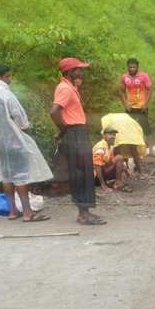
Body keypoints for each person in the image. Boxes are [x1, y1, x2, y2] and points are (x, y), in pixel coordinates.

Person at [0, 63, 53, 222]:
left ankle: (12, 212)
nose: (9, 80)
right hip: (14, 140)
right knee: (21, 176)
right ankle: (27, 212)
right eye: (7, 76)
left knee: (7, 176)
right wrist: (28, 137)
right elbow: (19, 118)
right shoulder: (4, 94)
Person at [50, 57, 106, 225]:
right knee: (83, 172)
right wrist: (63, 128)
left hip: (75, 132)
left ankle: (83, 213)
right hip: (75, 133)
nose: (82, 72)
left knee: (80, 172)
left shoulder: (68, 87)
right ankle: (84, 215)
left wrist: (63, 130)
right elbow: (54, 112)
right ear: (70, 72)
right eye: (79, 70)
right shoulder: (66, 89)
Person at [120, 58, 155, 157]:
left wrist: (145, 104)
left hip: (141, 108)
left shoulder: (143, 76)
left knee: (146, 128)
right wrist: (126, 104)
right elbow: (122, 91)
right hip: (130, 108)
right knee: (130, 129)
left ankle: (151, 150)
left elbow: (149, 90)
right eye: (130, 67)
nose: (132, 69)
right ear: (127, 67)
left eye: (134, 67)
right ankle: (133, 151)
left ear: (137, 67)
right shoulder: (124, 77)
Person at [101, 112, 147, 180]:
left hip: (118, 129)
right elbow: (137, 127)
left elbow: (105, 127)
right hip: (129, 129)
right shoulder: (127, 116)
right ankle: (141, 174)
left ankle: (123, 171)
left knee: (117, 149)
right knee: (134, 150)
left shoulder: (108, 118)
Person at [93, 127, 132, 193]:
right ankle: (117, 183)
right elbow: (97, 166)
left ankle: (115, 182)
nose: (112, 136)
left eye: (114, 135)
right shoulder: (101, 147)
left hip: (102, 171)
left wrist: (126, 169)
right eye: (110, 134)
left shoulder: (110, 147)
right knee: (119, 157)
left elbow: (112, 162)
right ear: (104, 136)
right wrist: (103, 185)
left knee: (121, 167)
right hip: (94, 176)